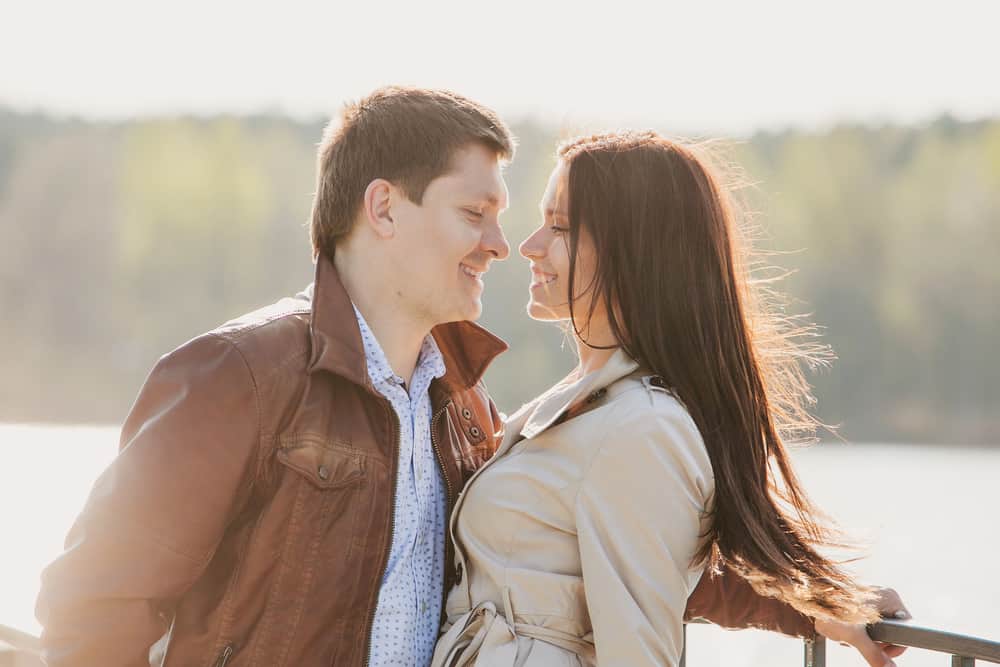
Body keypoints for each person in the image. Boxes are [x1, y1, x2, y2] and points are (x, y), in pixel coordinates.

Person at [35, 88, 900, 667]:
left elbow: (617, 548)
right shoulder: (240, 376)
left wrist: (811, 604)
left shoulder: (465, 406)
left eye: (514, 217)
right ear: (383, 209)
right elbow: (90, 602)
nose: (500, 242)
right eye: (475, 213)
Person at [431, 131, 909, 667]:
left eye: (560, 226)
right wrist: (813, 604)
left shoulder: (641, 430)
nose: (530, 245)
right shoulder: (592, 408)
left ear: (636, 253)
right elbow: (636, 566)